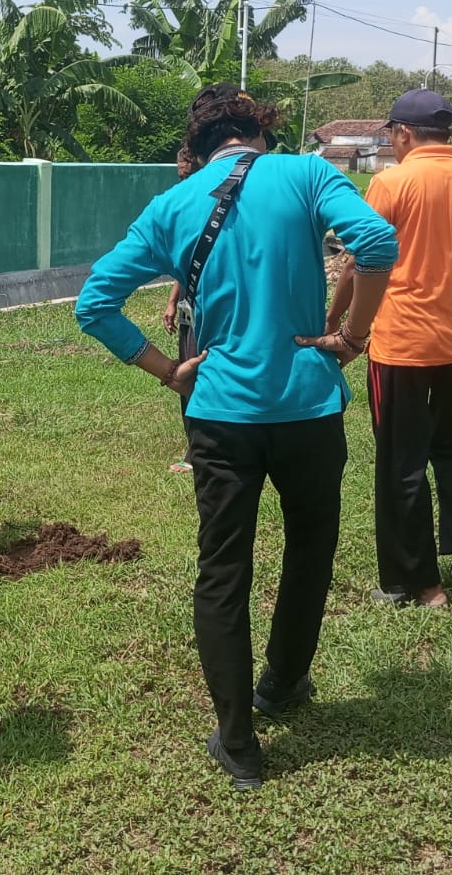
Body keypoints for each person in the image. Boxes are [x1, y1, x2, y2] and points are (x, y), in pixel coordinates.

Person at [76, 84, 396, 792]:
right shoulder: (309, 174)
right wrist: (352, 337)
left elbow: (94, 302)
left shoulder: (174, 203)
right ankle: (282, 681)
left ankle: (239, 740)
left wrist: (167, 370)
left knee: (224, 568)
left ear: (198, 144)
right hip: (309, 405)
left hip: (220, 414)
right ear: (261, 131)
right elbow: (374, 242)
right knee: (312, 544)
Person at [328, 88, 452, 610]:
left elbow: (356, 263)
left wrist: (333, 323)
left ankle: (415, 583)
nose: (391, 143)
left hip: (401, 346)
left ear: (404, 133)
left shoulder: (391, 182)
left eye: (391, 135)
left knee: (401, 461)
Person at [160, 146, 200, 474]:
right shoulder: (183, 199)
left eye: (187, 173)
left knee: (197, 374)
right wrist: (173, 299)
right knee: (187, 374)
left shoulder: (207, 201)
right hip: (189, 304)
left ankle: (197, 454)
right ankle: (194, 447)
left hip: (207, 307)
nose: (183, 178)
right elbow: (184, 263)